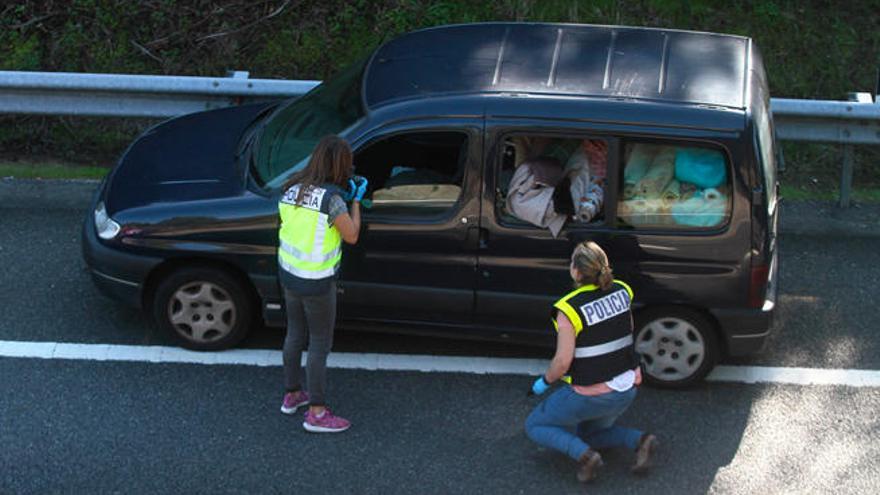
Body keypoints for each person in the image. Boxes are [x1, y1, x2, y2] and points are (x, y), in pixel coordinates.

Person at [525, 241, 658, 482]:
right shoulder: (622, 290)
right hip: (627, 389)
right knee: (591, 432)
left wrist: (543, 382)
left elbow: (562, 362)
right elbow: (626, 333)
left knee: (535, 425)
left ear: (576, 271)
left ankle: (585, 457)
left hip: (590, 393)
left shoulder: (569, 308)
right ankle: (640, 440)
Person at [276, 135, 367, 433]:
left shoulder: (290, 187)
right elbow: (351, 235)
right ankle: (316, 412)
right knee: (319, 344)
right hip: (316, 282)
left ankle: (292, 394)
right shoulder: (333, 200)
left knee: (294, 334)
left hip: (288, 273)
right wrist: (356, 201)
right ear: (340, 164)